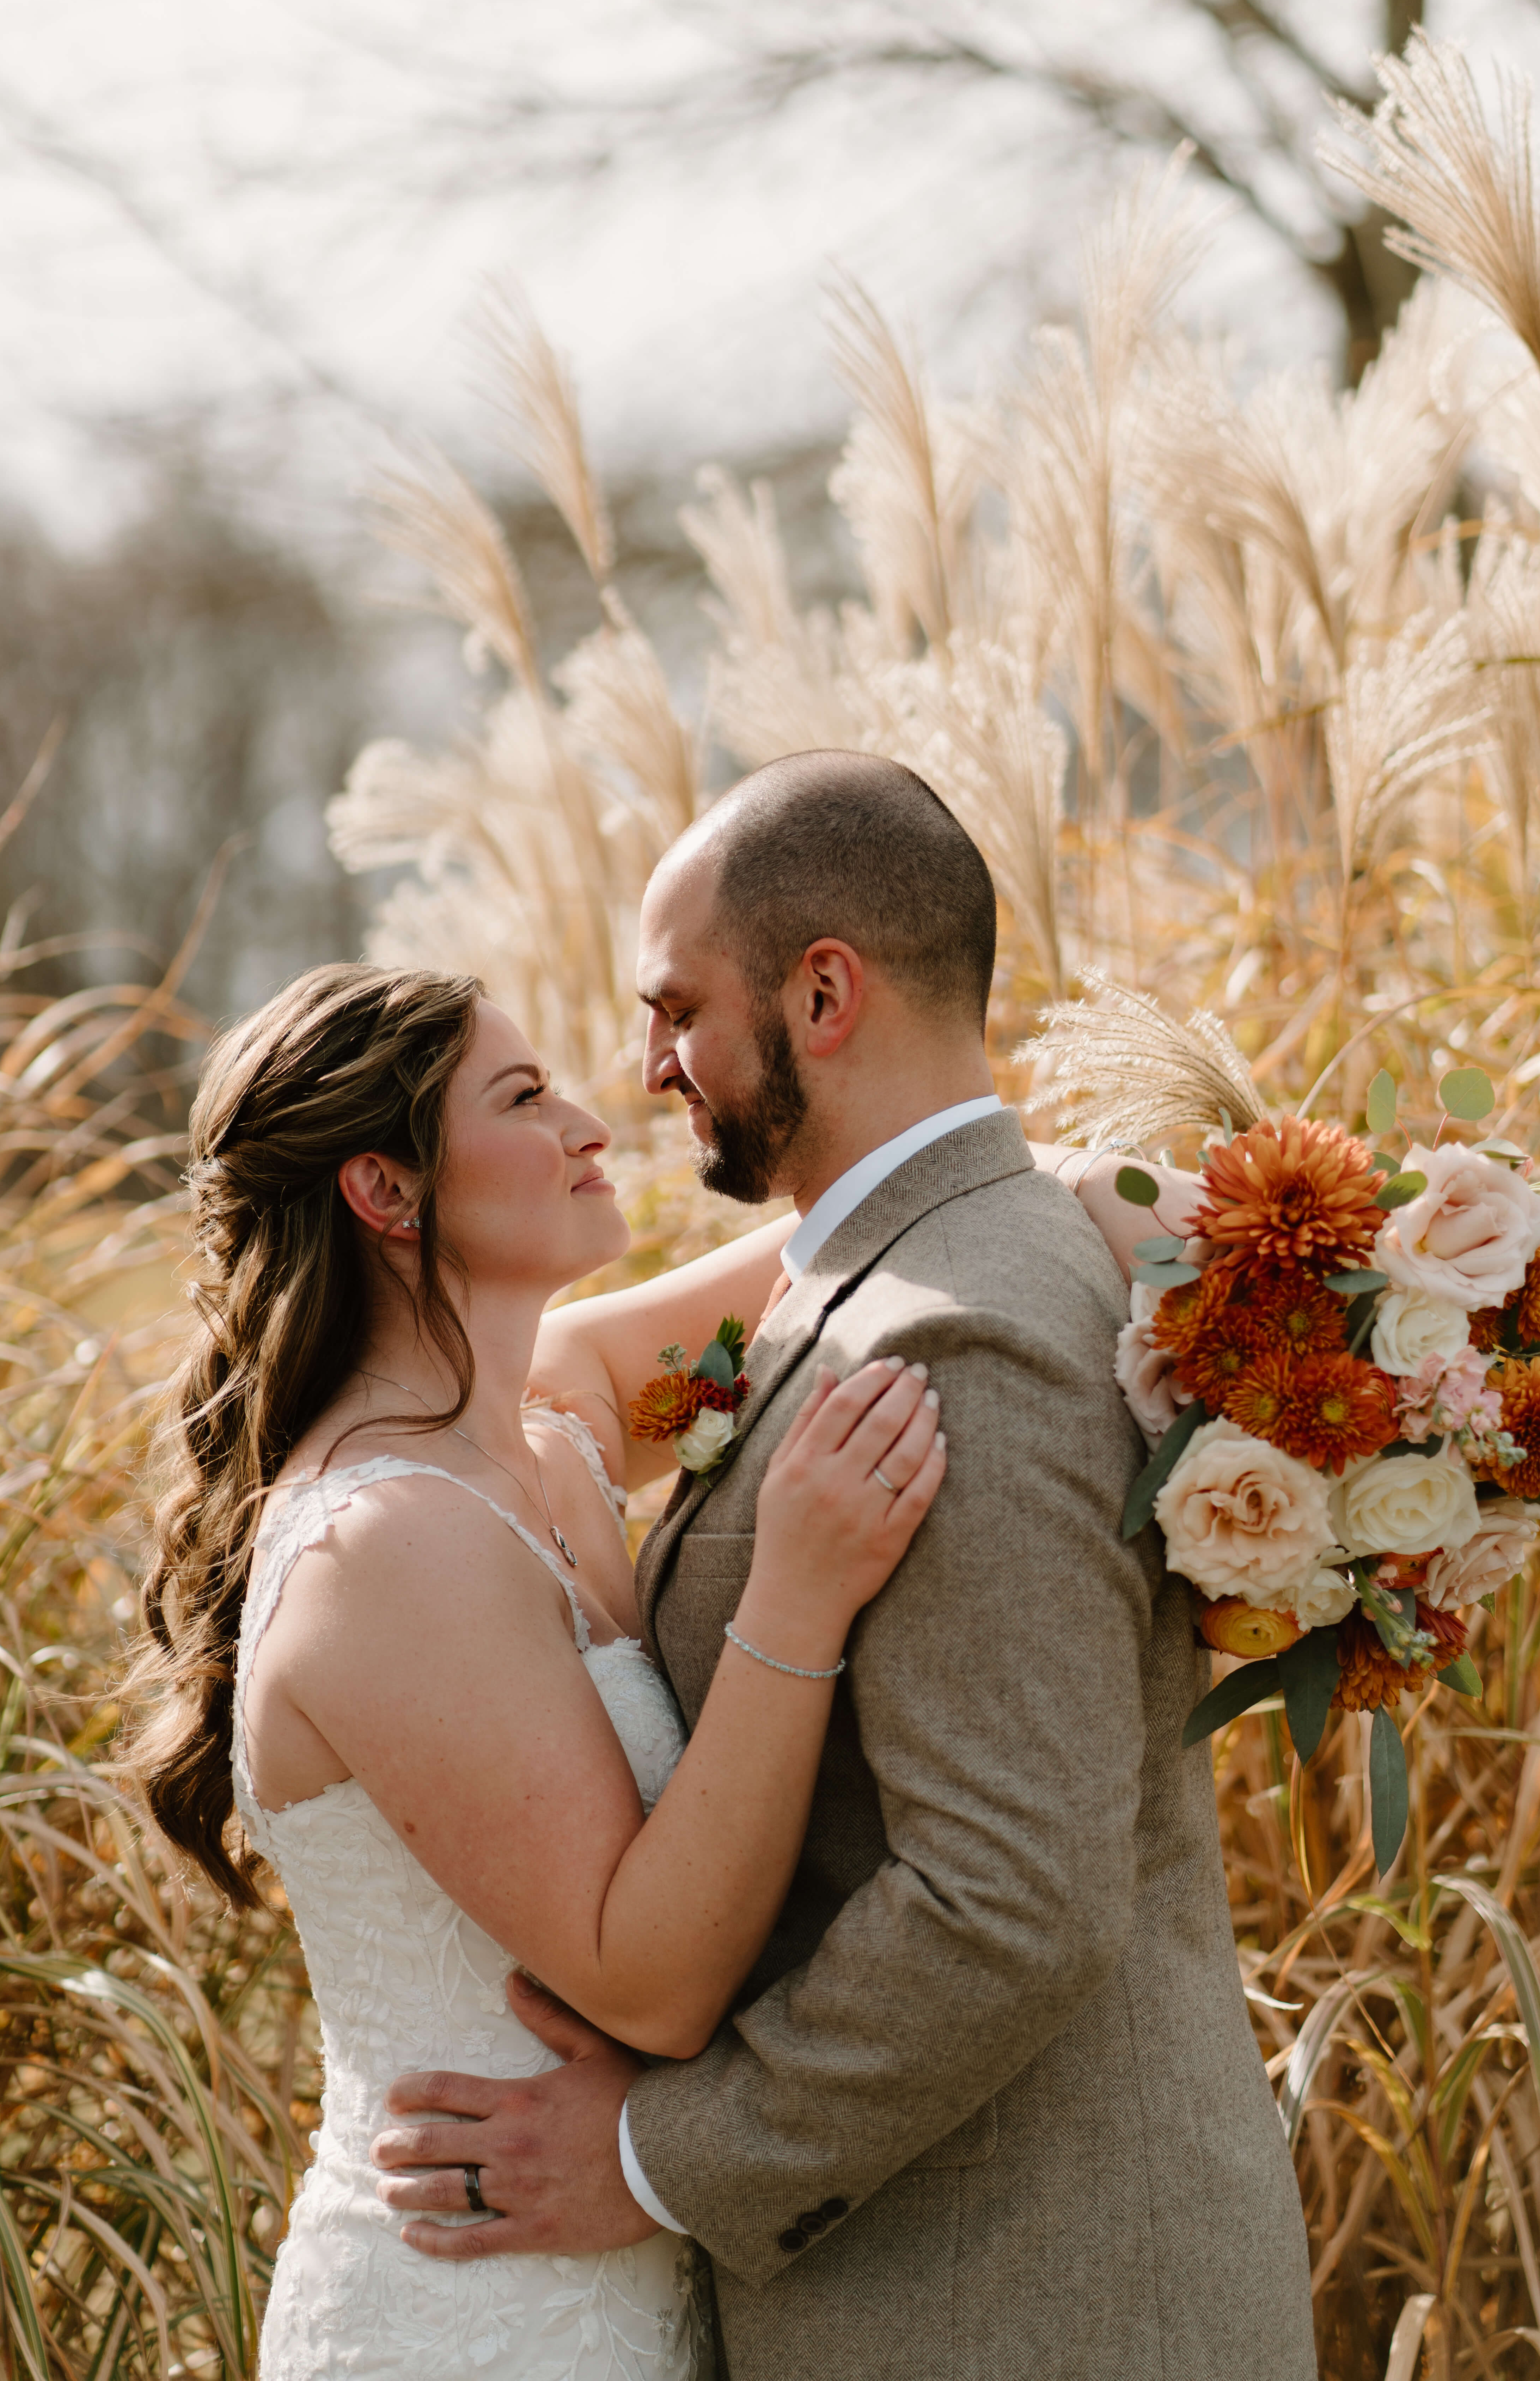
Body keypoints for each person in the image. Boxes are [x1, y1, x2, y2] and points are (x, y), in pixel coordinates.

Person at [370, 751, 1319, 2381]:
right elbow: (568, 1373)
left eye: (678, 1009)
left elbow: (1007, 1899)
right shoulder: (881, 1271)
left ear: (823, 995)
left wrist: (655, 2157)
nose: (652, 1064)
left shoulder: (956, 1337)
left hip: (1028, 2302)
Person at [128, 961, 948, 2380]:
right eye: (521, 1098)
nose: (589, 1121)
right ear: (384, 1192)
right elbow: (652, 1984)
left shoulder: (553, 1417)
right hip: (468, 2315)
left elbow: (865, 1230)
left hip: (624, 2284)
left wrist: (1144, 1196)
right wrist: (798, 1596)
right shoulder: (386, 1548)